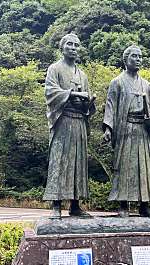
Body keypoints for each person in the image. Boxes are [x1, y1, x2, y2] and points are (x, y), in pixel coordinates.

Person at [103, 45, 150, 217]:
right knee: (125, 166)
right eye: (134, 56)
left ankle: (144, 205)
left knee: (144, 166)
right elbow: (110, 106)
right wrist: (108, 128)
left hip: (143, 130)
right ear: (125, 59)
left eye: (140, 56)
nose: (138, 59)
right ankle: (123, 204)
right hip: (125, 129)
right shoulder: (117, 82)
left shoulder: (147, 85)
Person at [43, 33, 95, 219]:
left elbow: (87, 100)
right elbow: (50, 92)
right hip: (63, 120)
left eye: (76, 45)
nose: (73, 48)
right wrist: (71, 94)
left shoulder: (82, 74)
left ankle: (75, 204)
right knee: (60, 160)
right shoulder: (54, 69)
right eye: (70, 44)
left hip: (79, 121)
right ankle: (56, 204)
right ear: (62, 47)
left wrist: (87, 102)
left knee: (78, 163)